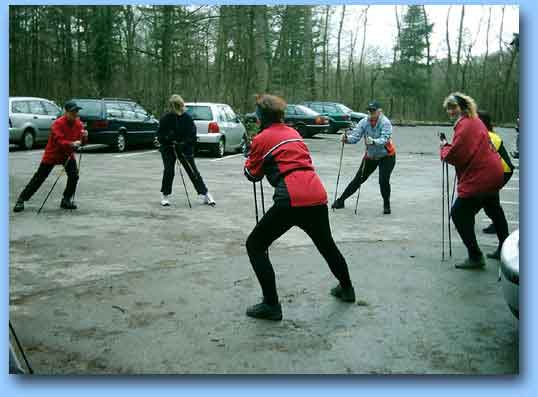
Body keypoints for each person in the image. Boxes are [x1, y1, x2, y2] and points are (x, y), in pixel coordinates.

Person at [243, 94, 356, 321]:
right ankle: (347, 289)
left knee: (255, 245)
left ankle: (271, 305)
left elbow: (252, 175)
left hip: (290, 197)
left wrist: (249, 156)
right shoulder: (293, 133)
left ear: (260, 117)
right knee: (327, 245)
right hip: (316, 193)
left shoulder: (261, 138)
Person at [440, 93, 509, 268]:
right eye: (448, 108)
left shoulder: (465, 125)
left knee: (459, 213)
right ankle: (506, 250)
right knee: (494, 208)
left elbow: (459, 154)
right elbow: (467, 148)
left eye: (454, 107)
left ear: (463, 107)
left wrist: (444, 150)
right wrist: (450, 147)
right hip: (494, 173)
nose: (451, 111)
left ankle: (475, 256)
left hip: (481, 176)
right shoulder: (475, 120)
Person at [13, 100, 87, 212]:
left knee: (74, 176)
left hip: (67, 154)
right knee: (39, 178)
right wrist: (72, 144)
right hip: (53, 154)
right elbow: (59, 142)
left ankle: (66, 200)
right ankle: (21, 199)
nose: (75, 114)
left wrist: (85, 137)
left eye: (76, 111)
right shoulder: (58, 124)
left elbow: (82, 142)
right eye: (72, 112)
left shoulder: (79, 124)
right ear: (65, 112)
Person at [331, 100, 396, 214]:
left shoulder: (385, 123)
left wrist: (373, 141)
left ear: (379, 111)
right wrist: (346, 139)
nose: (371, 113)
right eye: (369, 111)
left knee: (383, 180)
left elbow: (385, 139)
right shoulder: (363, 122)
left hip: (387, 156)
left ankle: (386, 205)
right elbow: (355, 137)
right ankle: (341, 201)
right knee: (358, 179)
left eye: (373, 111)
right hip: (371, 156)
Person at [157, 94, 215, 207]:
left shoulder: (187, 118)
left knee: (193, 171)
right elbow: (159, 135)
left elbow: (192, 135)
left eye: (178, 107)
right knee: (169, 171)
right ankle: (165, 195)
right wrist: (167, 138)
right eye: (174, 107)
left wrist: (183, 143)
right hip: (169, 148)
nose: (177, 110)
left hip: (184, 148)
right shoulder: (165, 118)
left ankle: (205, 194)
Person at [477, 110, 515, 237]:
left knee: (488, 201)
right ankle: (497, 225)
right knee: (490, 201)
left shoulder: (488, 136)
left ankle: (500, 230)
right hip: (500, 171)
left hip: (503, 171)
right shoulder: (488, 134)